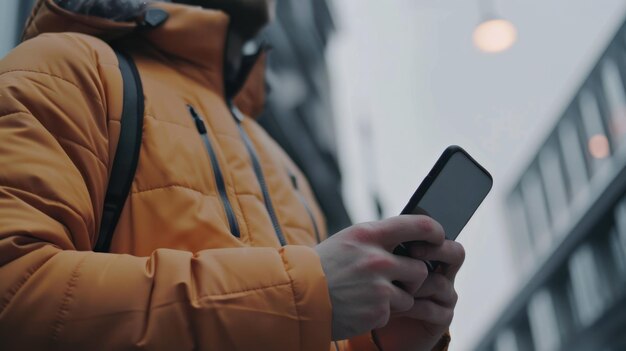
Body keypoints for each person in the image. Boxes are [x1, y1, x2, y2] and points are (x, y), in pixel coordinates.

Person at [0, 0, 465, 350]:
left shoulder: (279, 159)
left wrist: (382, 340)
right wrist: (303, 293)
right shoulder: (64, 66)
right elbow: (15, 294)